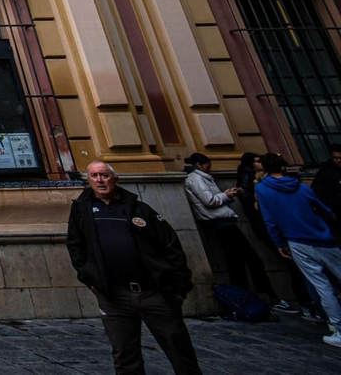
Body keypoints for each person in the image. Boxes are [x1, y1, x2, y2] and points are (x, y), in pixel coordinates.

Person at [67, 160, 202, 374]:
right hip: (114, 295)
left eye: (104, 175)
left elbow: (170, 245)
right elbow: (75, 246)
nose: (100, 180)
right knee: (124, 354)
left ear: (115, 179)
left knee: (178, 348)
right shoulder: (82, 210)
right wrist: (90, 280)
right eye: (94, 176)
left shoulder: (140, 209)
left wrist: (178, 287)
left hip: (153, 291)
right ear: (89, 181)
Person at [181, 153, 290, 308]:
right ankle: (262, 297)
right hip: (221, 223)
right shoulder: (196, 178)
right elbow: (209, 200)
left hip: (223, 222)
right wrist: (226, 195)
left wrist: (228, 196)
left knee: (237, 263)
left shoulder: (202, 177)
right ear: (199, 165)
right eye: (207, 165)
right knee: (249, 260)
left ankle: (246, 299)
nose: (209, 168)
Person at [256, 152, 341, 348]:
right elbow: (324, 210)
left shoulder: (262, 190)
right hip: (323, 239)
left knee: (322, 286)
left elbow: (269, 219)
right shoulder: (301, 187)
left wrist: (279, 243)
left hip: (296, 241)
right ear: (283, 167)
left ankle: (338, 329)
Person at [314, 144, 341, 218]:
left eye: (340, 158)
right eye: (335, 158)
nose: (338, 160)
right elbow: (318, 194)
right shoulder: (325, 173)